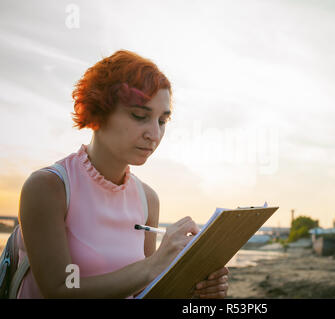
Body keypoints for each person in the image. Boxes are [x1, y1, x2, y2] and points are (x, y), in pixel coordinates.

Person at [16, 50, 229, 298]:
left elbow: (142, 291)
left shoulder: (148, 198)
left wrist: (194, 290)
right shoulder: (49, 187)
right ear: (97, 113)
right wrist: (154, 265)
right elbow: (60, 289)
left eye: (162, 121)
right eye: (140, 116)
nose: (154, 134)